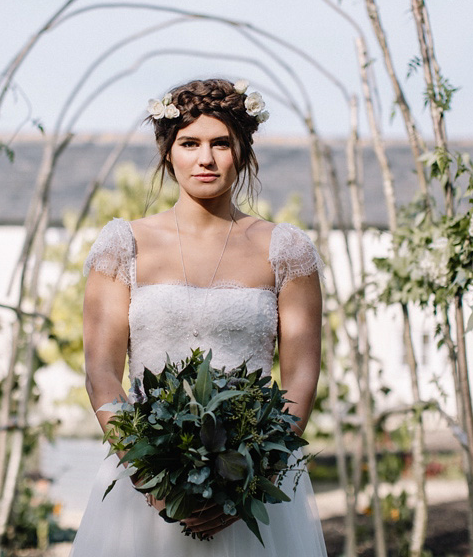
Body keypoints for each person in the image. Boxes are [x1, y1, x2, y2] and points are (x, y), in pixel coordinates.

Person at [68, 78, 328, 556]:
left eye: (220, 143)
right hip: (144, 486)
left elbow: (300, 376)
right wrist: (152, 478)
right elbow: (101, 373)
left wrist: (250, 479)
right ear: (169, 152)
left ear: (243, 152)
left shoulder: (286, 250)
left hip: (254, 491)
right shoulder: (122, 244)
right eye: (189, 143)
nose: (205, 159)